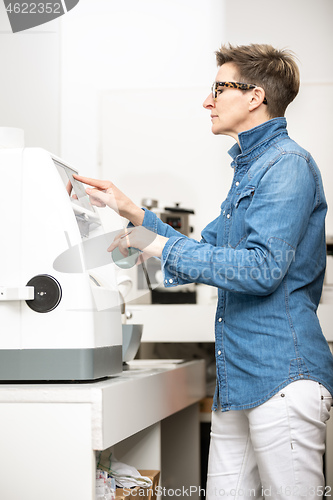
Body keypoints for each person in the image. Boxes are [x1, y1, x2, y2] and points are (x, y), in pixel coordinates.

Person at [74, 43, 333, 499]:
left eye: (218, 89)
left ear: (254, 97)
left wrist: (153, 244)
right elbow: (204, 249)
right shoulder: (250, 171)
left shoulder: (286, 164)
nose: (206, 101)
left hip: (283, 378)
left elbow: (262, 269)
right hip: (240, 381)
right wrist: (129, 209)